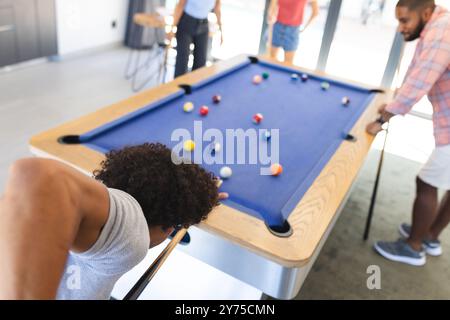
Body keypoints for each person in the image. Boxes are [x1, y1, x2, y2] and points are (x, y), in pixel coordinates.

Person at [0, 143, 227, 299]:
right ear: (167, 227)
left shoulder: (95, 218)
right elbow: (38, 175)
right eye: (176, 225)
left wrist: (200, 199)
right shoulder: (133, 235)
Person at [366, 0, 450, 266]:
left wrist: (383, 118)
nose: (400, 28)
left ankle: (414, 247)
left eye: (404, 21)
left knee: (426, 182)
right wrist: (393, 103)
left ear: (425, 13)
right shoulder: (437, 25)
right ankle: (429, 236)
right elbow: (416, 69)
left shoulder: (441, 30)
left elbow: (420, 81)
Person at [170, 0, 223, 78]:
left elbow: (217, 9)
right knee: (182, 62)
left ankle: (195, 89)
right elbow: (180, 4)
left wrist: (221, 32)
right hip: (186, 23)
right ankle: (177, 89)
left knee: (200, 65)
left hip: (203, 25)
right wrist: (172, 28)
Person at [267, 0, 319, 64]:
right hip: (277, 26)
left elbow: (315, 12)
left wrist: (304, 27)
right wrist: (271, 15)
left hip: (292, 31)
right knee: (271, 60)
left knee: (288, 63)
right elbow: (272, 8)